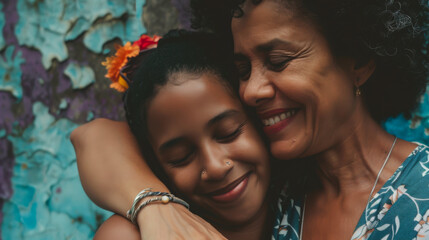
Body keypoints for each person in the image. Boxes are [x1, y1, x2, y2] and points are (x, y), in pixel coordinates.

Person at [71, 0, 429, 239]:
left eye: (277, 60)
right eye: (242, 69)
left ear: (359, 61)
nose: (251, 91)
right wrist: (154, 208)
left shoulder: (421, 195)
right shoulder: (275, 180)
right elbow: (97, 137)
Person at [82, 29, 279, 240]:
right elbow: (91, 136)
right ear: (155, 166)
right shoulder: (129, 235)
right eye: (181, 157)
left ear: (259, 119)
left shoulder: (310, 195)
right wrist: (155, 208)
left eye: (228, 133)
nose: (215, 167)